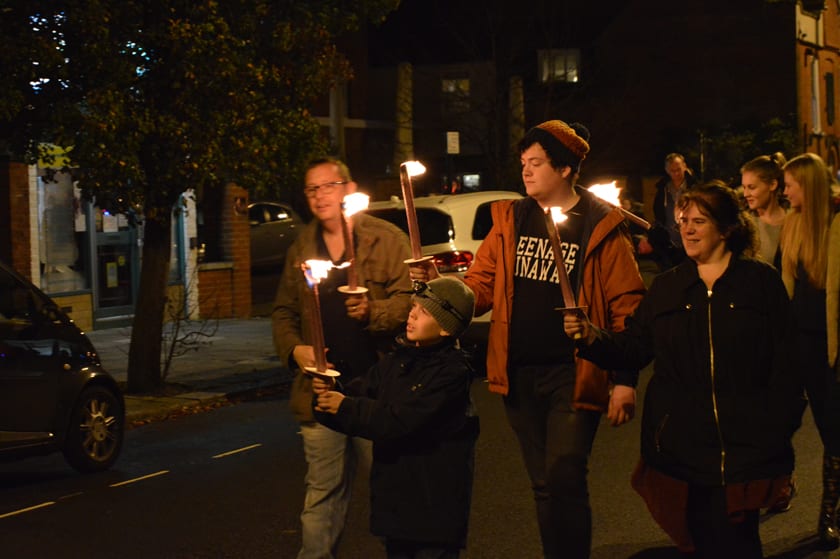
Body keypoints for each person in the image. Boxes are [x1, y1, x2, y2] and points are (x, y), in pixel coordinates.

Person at [410, 119, 646, 558]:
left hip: (573, 372)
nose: (527, 171)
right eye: (524, 162)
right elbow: (480, 285)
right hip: (518, 372)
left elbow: (627, 307)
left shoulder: (601, 226)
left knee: (565, 474)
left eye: (537, 162)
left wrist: (625, 378)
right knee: (543, 484)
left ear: (565, 169)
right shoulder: (512, 219)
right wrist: (441, 284)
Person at [564, 182, 803, 558]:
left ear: (726, 229)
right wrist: (591, 337)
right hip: (685, 445)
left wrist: (778, 422)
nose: (687, 230)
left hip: (745, 445)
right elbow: (634, 349)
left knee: (741, 544)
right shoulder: (668, 287)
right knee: (700, 540)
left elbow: (787, 362)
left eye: (699, 221)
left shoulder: (760, 283)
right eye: (683, 221)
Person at [272, 156, 414, 559]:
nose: (319, 196)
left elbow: (414, 302)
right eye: (312, 189)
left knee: (390, 493)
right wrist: (294, 349)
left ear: (348, 190)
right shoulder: (301, 247)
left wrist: (374, 312)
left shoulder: (385, 240)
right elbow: (283, 311)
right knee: (322, 495)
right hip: (321, 391)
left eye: (328, 186)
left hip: (377, 393)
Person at [311, 277, 479, 559]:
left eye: (424, 312)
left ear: (446, 328)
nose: (412, 314)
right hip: (396, 506)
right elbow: (359, 395)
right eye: (414, 306)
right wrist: (329, 395)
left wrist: (345, 406)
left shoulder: (451, 374)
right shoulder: (396, 361)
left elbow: (399, 420)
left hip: (433, 509)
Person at [779, 152, 840, 550]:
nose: (785, 191)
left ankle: (829, 515)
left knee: (833, 431)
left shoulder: (836, 224)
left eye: (790, 184)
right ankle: (776, 486)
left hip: (828, 345)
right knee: (781, 420)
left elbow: (834, 294)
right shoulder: (792, 222)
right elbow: (784, 283)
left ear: (809, 186)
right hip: (796, 340)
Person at [740, 152, 788, 269]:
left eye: (751, 187)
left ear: (772, 185)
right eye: (744, 187)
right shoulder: (743, 222)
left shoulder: (791, 222)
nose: (746, 194)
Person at [650, 153, 697, 269]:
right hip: (669, 241)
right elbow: (658, 212)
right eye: (672, 171)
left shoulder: (695, 188)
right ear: (667, 170)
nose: (676, 173)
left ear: (684, 166)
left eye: (678, 169)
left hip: (690, 239)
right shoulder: (663, 189)